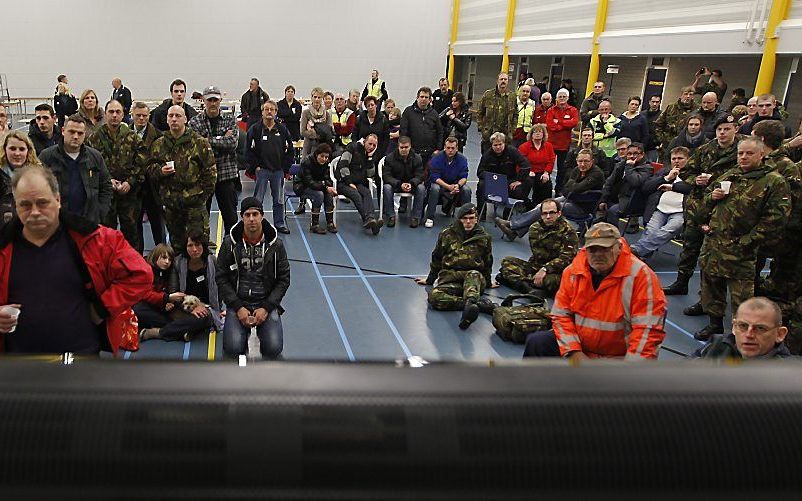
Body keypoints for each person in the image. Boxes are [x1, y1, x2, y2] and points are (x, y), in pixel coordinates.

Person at [0, 165, 152, 355]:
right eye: (25, 205)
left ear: (57, 200)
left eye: (42, 203)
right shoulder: (4, 247)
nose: (35, 212)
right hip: (19, 362)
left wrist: (102, 308)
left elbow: (141, 275)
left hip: (79, 357)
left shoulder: (97, 240)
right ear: (15, 205)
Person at [523, 222, 666, 359]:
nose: (598, 254)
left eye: (605, 249)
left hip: (618, 358)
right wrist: (574, 353)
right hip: (579, 351)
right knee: (537, 342)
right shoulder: (572, 272)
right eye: (592, 249)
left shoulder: (641, 277)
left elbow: (647, 333)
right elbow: (560, 316)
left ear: (619, 247)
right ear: (585, 250)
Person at [695, 137, 790, 341]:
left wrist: (747, 242)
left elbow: (775, 219)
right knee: (712, 287)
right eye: (740, 153)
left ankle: (741, 335)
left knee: (742, 297)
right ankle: (714, 324)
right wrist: (712, 199)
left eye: (749, 153)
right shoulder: (731, 174)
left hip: (742, 250)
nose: (743, 157)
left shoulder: (773, 181)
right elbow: (704, 202)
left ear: (761, 154)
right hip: (714, 244)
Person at [662, 115, 741, 297]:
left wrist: (714, 181)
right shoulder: (706, 149)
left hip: (725, 208)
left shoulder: (742, 150)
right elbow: (688, 170)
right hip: (698, 206)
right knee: (690, 247)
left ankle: (706, 297)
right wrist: (695, 180)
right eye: (719, 129)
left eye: (727, 129)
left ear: (735, 129)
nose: (722, 133)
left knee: (712, 256)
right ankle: (681, 283)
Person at [216, 197, 290, 360]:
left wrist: (267, 307)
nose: (251, 219)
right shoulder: (229, 243)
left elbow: (284, 279)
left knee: (273, 348)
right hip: (238, 302)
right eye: (247, 214)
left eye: (255, 214)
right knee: (233, 347)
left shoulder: (276, 245)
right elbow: (221, 277)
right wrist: (237, 306)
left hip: (266, 302)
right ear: (242, 217)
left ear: (262, 216)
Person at [415, 203, 495, 330]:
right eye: (464, 218)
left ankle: (469, 307)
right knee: (434, 297)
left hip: (473, 279)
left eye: (471, 218)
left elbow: (487, 261)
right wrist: (430, 279)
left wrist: (489, 282)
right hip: (451, 278)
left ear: (476, 219)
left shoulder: (484, 237)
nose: (468, 221)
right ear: (459, 219)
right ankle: (474, 305)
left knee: (473, 274)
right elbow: (437, 258)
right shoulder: (447, 234)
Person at [148, 105, 217, 253]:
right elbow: (149, 169)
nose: (174, 119)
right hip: (172, 208)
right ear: (166, 119)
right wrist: (160, 171)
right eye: (171, 116)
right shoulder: (159, 145)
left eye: (178, 116)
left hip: (194, 207)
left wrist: (200, 197)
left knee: (199, 248)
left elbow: (210, 174)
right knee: (177, 248)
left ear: (185, 119)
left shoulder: (199, 143)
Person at [495, 149, 605, 241]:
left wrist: (574, 187)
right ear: (576, 161)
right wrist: (574, 188)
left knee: (546, 209)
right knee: (543, 205)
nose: (582, 164)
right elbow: (566, 189)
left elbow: (575, 189)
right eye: (580, 161)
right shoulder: (577, 170)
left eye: (586, 161)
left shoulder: (597, 174)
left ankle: (512, 226)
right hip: (570, 199)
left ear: (592, 161)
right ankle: (515, 232)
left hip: (582, 208)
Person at [86, 100, 146, 253]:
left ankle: (134, 268)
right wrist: (107, 182)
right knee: (106, 234)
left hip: (129, 195)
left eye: (117, 112)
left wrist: (130, 182)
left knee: (132, 234)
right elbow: (89, 166)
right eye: (111, 112)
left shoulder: (133, 138)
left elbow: (142, 164)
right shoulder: (94, 139)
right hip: (106, 195)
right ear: (105, 114)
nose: (114, 115)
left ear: (123, 115)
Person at [753, 120, 802, 300]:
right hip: (758, 221)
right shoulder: (758, 159)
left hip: (781, 227)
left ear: (761, 138)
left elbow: (792, 200)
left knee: (780, 268)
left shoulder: (785, 165)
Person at [134, 240, 217, 342]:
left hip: (174, 308)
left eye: (169, 259)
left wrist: (170, 302)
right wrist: (166, 299)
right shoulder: (145, 270)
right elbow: (146, 294)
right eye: (164, 258)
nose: (167, 262)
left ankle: (160, 332)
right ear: (155, 257)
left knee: (203, 316)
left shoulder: (170, 270)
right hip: (159, 307)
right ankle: (181, 330)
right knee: (138, 309)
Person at [39, 114, 113, 224]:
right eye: (72, 132)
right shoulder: (47, 157)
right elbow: (37, 188)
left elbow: (106, 186)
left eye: (80, 133)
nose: (75, 136)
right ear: (63, 131)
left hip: (88, 222)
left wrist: (100, 212)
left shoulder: (95, 157)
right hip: (57, 223)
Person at [497, 198, 578, 296]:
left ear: (559, 213)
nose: (548, 217)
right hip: (535, 266)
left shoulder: (568, 231)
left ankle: (519, 282)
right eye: (545, 213)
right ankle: (529, 288)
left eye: (552, 213)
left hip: (555, 271)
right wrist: (535, 271)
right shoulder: (535, 228)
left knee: (552, 281)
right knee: (507, 261)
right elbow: (536, 254)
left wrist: (545, 269)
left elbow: (567, 258)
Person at [188, 86, 240, 236]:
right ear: (203, 101)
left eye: (215, 100)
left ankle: (231, 250)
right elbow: (196, 147)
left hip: (226, 177)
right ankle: (202, 253)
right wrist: (220, 139)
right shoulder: (195, 122)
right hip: (203, 178)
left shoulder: (230, 120)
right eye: (209, 100)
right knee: (201, 220)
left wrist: (207, 141)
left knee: (231, 220)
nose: (212, 103)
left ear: (220, 101)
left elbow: (232, 143)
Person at [630, 146, 692, 258]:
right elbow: (646, 187)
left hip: (680, 212)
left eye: (680, 158)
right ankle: (640, 255)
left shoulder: (693, 175)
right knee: (651, 231)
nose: (676, 161)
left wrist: (673, 186)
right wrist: (667, 178)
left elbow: (691, 188)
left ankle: (636, 251)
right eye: (674, 159)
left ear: (688, 159)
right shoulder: (665, 171)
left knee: (666, 231)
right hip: (660, 209)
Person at [246, 100, 294, 235]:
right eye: (266, 109)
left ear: (276, 112)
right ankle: (257, 224)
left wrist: (285, 168)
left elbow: (290, 150)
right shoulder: (255, 130)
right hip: (262, 171)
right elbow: (248, 150)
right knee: (258, 200)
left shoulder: (283, 130)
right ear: (262, 112)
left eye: (272, 109)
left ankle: (279, 224)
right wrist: (255, 167)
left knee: (278, 200)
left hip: (278, 171)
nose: (269, 112)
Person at [694, 297, 792, 359]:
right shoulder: (718, 345)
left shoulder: (789, 376)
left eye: (760, 328)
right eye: (743, 326)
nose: (749, 335)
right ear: (734, 327)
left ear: (780, 334)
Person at [130, 101, 166, 246]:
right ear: (132, 115)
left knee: (158, 225)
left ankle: (162, 256)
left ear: (149, 116)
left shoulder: (158, 135)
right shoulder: (125, 134)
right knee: (135, 226)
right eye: (138, 115)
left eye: (144, 116)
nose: (141, 119)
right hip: (133, 187)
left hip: (153, 187)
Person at [335, 134, 382, 234]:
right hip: (343, 182)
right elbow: (343, 165)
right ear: (364, 141)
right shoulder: (352, 147)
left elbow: (370, 174)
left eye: (374, 145)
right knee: (356, 195)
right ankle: (368, 219)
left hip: (358, 183)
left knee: (367, 192)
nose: (371, 147)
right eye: (370, 144)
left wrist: (370, 158)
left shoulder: (369, 154)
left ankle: (371, 219)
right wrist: (349, 182)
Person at [597, 142, 653, 227]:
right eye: (629, 153)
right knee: (595, 199)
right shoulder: (621, 164)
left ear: (642, 154)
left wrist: (629, 167)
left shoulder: (647, 168)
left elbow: (635, 182)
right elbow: (609, 181)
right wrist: (603, 199)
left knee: (612, 210)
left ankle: (613, 235)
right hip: (618, 195)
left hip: (631, 200)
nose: (631, 156)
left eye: (635, 154)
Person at [476, 132, 531, 213]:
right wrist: (490, 177)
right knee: (481, 185)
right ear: (492, 145)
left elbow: (525, 165)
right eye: (495, 145)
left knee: (526, 183)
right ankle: (481, 213)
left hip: (509, 181)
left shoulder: (512, 151)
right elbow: (480, 172)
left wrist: (519, 180)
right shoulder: (487, 155)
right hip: (493, 182)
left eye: (500, 144)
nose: (498, 147)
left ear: (504, 143)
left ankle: (510, 210)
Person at [424, 137, 470, 228]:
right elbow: (434, 177)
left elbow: (464, 177)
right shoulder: (437, 157)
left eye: (453, 148)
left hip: (455, 184)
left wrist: (458, 185)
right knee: (434, 188)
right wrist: (448, 187)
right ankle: (430, 217)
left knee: (467, 189)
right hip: (440, 184)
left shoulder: (462, 159)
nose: (450, 150)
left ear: (457, 148)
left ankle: (466, 218)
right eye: (448, 148)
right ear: (444, 147)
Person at [382, 137, 426, 227]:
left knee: (421, 188)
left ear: (410, 147)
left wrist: (412, 183)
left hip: (412, 185)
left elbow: (420, 175)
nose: (404, 149)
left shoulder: (417, 158)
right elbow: (386, 176)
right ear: (398, 147)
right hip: (396, 185)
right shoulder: (389, 158)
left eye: (406, 147)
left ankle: (416, 217)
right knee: (387, 187)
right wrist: (399, 184)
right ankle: (391, 216)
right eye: (401, 147)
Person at [1, 132, 42, 223]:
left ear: (28, 151)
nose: (17, 153)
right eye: (12, 148)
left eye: (22, 149)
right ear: (5, 149)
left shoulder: (39, 176)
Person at [296, 143, 337, 234]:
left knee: (328, 195)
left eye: (326, 157)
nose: (324, 159)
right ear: (316, 154)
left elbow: (328, 179)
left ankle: (330, 223)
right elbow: (309, 182)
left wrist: (326, 186)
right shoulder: (307, 162)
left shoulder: (326, 163)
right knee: (319, 195)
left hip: (318, 186)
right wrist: (325, 186)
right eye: (322, 156)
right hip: (301, 186)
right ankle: (314, 225)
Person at [545, 88, 579, 194]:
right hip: (551, 144)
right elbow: (551, 125)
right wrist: (565, 125)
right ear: (556, 98)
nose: (562, 98)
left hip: (564, 145)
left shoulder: (573, 110)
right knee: (547, 167)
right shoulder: (551, 110)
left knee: (562, 169)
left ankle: (559, 189)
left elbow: (574, 123)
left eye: (564, 96)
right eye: (560, 97)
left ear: (568, 98)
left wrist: (558, 122)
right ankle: (545, 186)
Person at [400, 86, 443, 167]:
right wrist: (407, 149)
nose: (423, 99)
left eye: (426, 97)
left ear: (430, 100)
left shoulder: (434, 114)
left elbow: (440, 132)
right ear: (417, 98)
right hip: (413, 153)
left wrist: (438, 149)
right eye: (421, 96)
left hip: (430, 154)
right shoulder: (408, 112)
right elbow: (403, 132)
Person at [478, 72, 517, 154]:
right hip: (489, 134)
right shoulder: (488, 95)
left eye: (505, 79)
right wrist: (481, 128)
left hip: (505, 135)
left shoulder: (512, 97)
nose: (503, 81)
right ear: (497, 81)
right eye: (501, 79)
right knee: (487, 160)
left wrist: (512, 130)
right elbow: (480, 112)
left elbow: (515, 115)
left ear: (507, 81)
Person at [518, 123, 555, 207]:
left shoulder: (549, 146)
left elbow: (551, 161)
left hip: (542, 172)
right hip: (529, 172)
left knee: (547, 183)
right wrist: (528, 171)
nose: (537, 134)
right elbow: (520, 162)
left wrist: (546, 172)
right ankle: (528, 205)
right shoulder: (524, 147)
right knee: (529, 181)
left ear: (544, 134)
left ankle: (545, 206)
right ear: (531, 134)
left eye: (540, 132)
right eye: (535, 132)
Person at [300, 87, 333, 159]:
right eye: (315, 97)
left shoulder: (326, 113)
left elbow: (330, 129)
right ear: (311, 98)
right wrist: (316, 134)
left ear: (322, 99)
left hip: (323, 146)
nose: (317, 99)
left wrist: (315, 131)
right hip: (309, 146)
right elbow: (302, 132)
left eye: (319, 97)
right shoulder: (306, 112)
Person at [643, 94, 662, 161]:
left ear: (659, 103)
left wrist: (660, 143)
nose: (654, 104)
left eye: (657, 102)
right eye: (653, 101)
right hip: (642, 146)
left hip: (654, 147)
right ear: (649, 102)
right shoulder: (642, 114)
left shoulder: (662, 115)